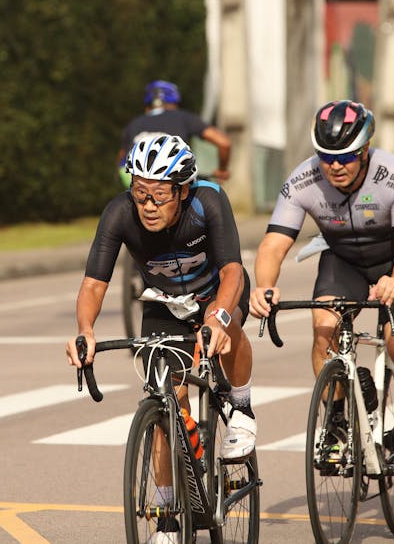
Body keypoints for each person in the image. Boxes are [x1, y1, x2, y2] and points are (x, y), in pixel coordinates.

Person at [66, 134, 255, 540]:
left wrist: (218, 319)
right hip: (165, 305)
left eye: (158, 195)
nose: (147, 206)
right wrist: (85, 331)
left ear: (182, 190)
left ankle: (241, 407)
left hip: (215, 295)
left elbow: (233, 273)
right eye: (139, 193)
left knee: (227, 326)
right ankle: (168, 516)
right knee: (164, 405)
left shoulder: (208, 201)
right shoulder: (119, 213)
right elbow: (94, 283)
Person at [249, 100, 394, 481]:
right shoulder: (304, 179)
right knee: (323, 330)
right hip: (344, 260)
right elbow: (273, 244)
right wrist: (264, 287)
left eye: (347, 157)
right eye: (326, 156)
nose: (334, 166)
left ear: (365, 150)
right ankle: (335, 424)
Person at [117, 80, 231, 187]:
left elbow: (122, 156)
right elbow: (224, 143)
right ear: (174, 102)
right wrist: (222, 170)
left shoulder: (134, 123)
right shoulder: (183, 117)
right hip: (169, 174)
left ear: (148, 106)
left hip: (133, 176)